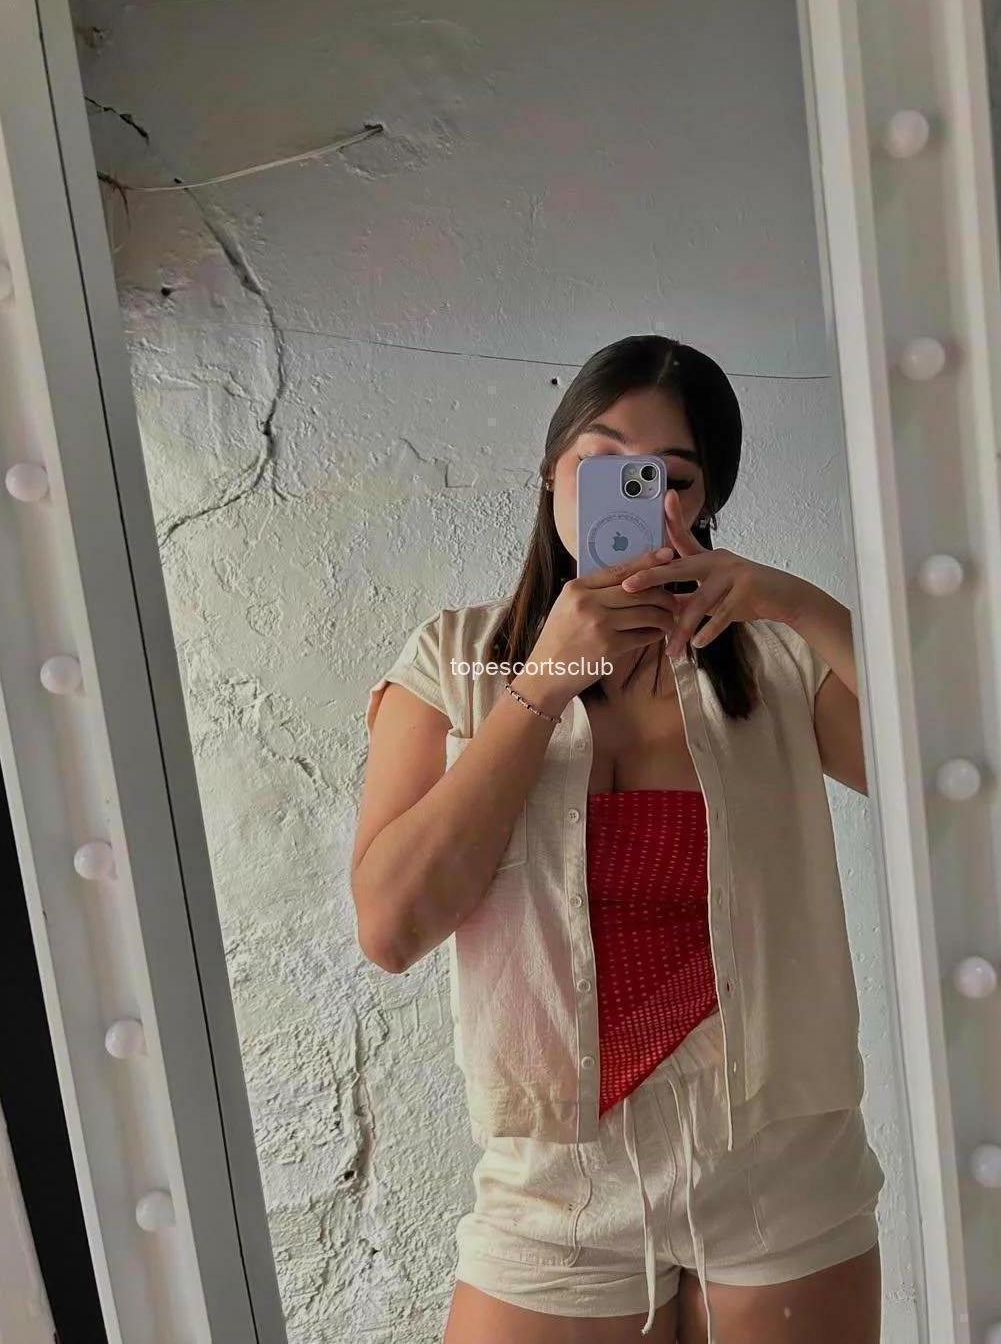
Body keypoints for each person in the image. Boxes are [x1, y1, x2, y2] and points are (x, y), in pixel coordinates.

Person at [352, 335, 886, 1344]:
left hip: (778, 1160)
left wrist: (797, 602)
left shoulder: (774, 660)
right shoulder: (455, 660)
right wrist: (543, 683)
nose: (642, 496)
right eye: (605, 461)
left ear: (706, 501)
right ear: (550, 471)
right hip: (556, 1187)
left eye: (674, 476)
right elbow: (391, 926)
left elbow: (952, 775)